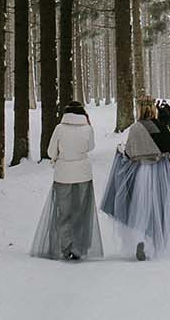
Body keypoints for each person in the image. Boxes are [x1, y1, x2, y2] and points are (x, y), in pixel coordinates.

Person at [100, 97, 170, 261]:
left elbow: (129, 154)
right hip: (160, 174)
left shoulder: (136, 128)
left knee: (139, 206)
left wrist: (121, 151)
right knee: (157, 208)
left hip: (141, 173)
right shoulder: (161, 127)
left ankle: (140, 238)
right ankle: (153, 243)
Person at [30, 100, 104, 261]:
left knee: (63, 212)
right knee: (80, 211)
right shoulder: (87, 128)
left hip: (63, 174)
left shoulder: (59, 128)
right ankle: (78, 247)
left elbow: (51, 152)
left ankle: (65, 247)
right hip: (83, 174)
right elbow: (91, 147)